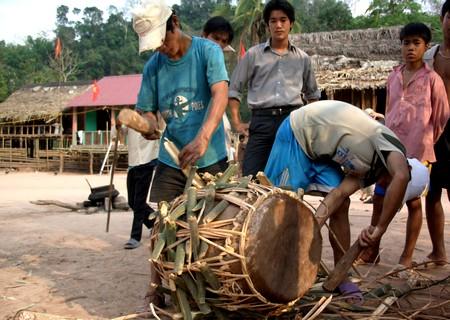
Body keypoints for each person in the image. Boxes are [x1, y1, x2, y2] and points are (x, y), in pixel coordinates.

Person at [131, 0, 229, 305]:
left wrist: (202, 137)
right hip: (171, 156)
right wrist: (146, 125)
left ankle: (218, 285)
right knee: (162, 222)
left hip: (209, 153)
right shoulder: (154, 67)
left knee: (218, 224)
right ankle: (156, 284)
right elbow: (147, 112)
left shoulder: (207, 51)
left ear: (175, 22)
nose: (162, 49)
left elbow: (220, 93)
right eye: (155, 45)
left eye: (164, 40)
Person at [264, 100, 411, 301]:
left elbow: (338, 195)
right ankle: (267, 272)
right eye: (392, 183)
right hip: (297, 134)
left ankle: (341, 275)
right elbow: (401, 177)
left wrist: (312, 227)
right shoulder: (390, 144)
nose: (385, 185)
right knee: (282, 206)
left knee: (342, 204)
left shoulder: (371, 170)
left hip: (321, 152)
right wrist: (380, 228)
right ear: (405, 165)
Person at [359, 22, 449, 267]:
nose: (410, 48)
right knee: (379, 196)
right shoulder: (394, 76)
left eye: (416, 43)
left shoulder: (432, 80)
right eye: (406, 43)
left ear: (426, 46)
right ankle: (371, 251)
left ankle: (407, 256)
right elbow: (389, 110)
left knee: (413, 201)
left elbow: (441, 117)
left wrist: (427, 139)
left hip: (419, 152)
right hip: (391, 149)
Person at [228, 0, 320, 177]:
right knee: (251, 175)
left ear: (291, 24)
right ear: (267, 24)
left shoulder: (302, 59)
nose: (278, 25)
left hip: (292, 121)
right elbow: (234, 89)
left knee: (290, 176)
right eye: (273, 20)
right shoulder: (253, 55)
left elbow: (312, 95)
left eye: (283, 20)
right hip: (261, 121)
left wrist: (309, 124)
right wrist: (237, 122)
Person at [422, 0, 450, 266]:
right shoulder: (428, 57)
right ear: (442, 19)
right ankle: (438, 251)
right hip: (433, 129)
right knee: (432, 192)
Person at [121, 126, 159, 250]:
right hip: (133, 164)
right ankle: (154, 222)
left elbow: (160, 135)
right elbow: (119, 135)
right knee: (132, 202)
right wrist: (116, 125)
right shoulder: (130, 120)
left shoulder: (152, 119)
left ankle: (135, 237)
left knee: (139, 202)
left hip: (147, 163)